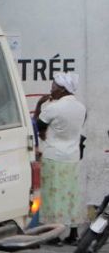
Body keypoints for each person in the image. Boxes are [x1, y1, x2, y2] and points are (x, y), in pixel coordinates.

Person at [35, 72, 87, 243]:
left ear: (63, 90)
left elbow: (37, 125)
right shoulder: (81, 107)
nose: (51, 90)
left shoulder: (53, 108)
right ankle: (73, 234)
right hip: (72, 156)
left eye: (54, 87)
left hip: (53, 156)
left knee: (53, 196)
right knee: (71, 194)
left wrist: (39, 104)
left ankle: (53, 235)